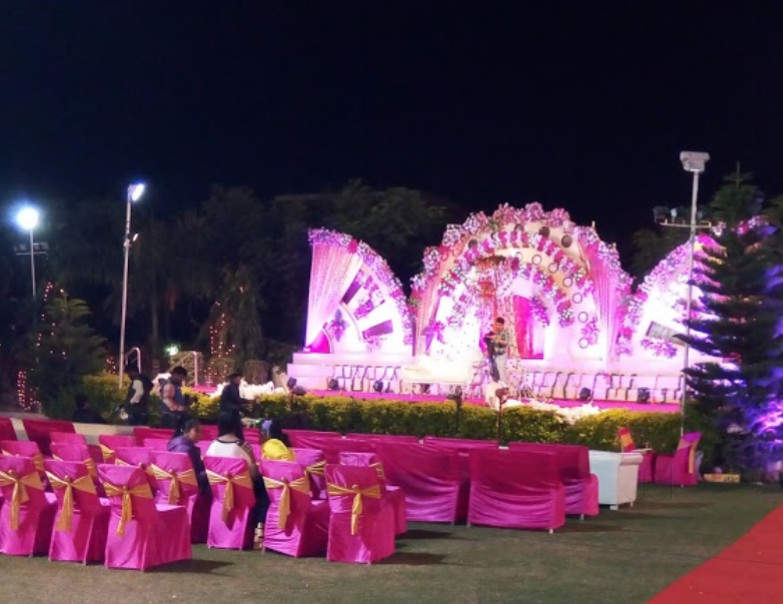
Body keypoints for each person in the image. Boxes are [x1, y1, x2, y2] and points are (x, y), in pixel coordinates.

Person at [206, 411, 268, 543]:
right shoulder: (242, 446)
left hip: (219, 491)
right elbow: (253, 475)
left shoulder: (213, 446)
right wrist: (251, 457)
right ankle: (259, 526)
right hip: (241, 492)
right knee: (263, 491)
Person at [167, 418, 209, 493]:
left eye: (201, 432)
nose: (200, 435)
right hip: (186, 485)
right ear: (187, 431)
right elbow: (190, 476)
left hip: (170, 482)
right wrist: (209, 472)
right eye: (196, 431)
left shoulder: (173, 442)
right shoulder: (187, 450)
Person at [484, 316, 510, 383]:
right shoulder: (493, 333)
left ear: (503, 325)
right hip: (493, 356)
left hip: (501, 355)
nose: (498, 326)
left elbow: (506, 342)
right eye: (497, 325)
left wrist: (496, 339)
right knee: (494, 373)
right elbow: (486, 341)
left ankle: (504, 390)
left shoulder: (505, 333)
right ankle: (497, 390)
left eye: (500, 325)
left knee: (501, 373)